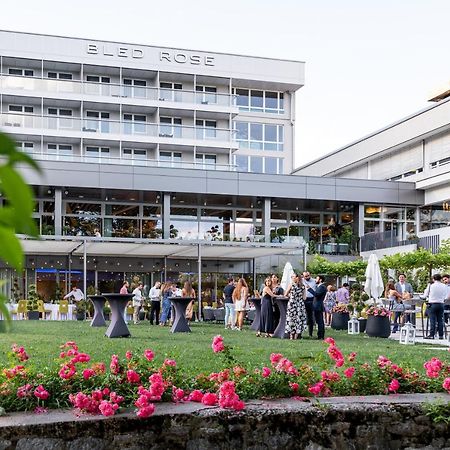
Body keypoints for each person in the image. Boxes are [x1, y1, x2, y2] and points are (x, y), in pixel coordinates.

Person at [422, 274, 449, 339]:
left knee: (432, 320)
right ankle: (441, 335)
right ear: (440, 279)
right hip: (441, 304)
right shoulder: (444, 286)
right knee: (440, 320)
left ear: (433, 279)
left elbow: (425, 295)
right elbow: (445, 296)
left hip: (432, 304)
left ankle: (432, 334)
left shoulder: (431, 285)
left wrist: (422, 297)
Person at [285, 273, 307, 340]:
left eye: (293, 277)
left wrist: (291, 296)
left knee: (291, 319)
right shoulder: (303, 286)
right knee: (299, 319)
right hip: (300, 304)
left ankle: (291, 336)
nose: (292, 278)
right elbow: (304, 298)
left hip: (292, 304)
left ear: (296, 277)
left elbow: (285, 294)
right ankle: (296, 336)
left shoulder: (291, 285)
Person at [302, 271, 317, 338]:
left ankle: (310, 333)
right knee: (301, 316)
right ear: (303, 276)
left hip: (311, 300)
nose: (307, 277)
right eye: (305, 276)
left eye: (308, 275)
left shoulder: (314, 281)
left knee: (310, 317)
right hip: (303, 300)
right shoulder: (301, 281)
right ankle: (300, 333)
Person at [312, 275, 327, 340]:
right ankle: (320, 335)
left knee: (320, 321)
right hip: (317, 305)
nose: (315, 280)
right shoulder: (319, 286)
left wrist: (309, 289)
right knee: (318, 321)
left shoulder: (322, 287)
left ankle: (320, 336)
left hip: (318, 306)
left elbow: (317, 295)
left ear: (320, 280)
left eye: (317, 278)